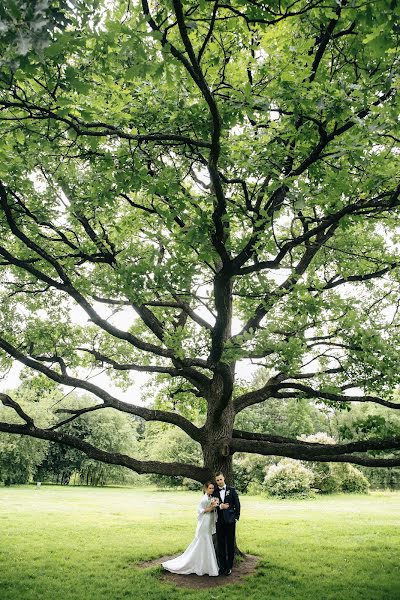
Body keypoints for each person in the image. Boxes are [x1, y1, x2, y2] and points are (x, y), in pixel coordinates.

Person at [162, 481, 219, 576]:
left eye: (213, 488)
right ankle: (198, 564)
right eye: (210, 488)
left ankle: (205, 565)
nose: (212, 490)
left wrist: (213, 507)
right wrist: (211, 507)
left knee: (207, 539)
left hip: (208, 521)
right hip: (204, 521)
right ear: (205, 489)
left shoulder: (211, 497)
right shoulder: (204, 498)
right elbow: (201, 510)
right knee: (203, 540)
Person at [213, 471, 241, 576]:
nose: (219, 481)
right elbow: (214, 504)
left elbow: (237, 504)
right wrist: (220, 506)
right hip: (219, 522)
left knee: (229, 544)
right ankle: (222, 566)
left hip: (230, 521)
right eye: (217, 480)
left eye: (220, 479)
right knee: (220, 544)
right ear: (216, 481)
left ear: (224, 478)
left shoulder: (232, 490)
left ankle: (229, 567)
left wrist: (236, 517)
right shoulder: (215, 492)